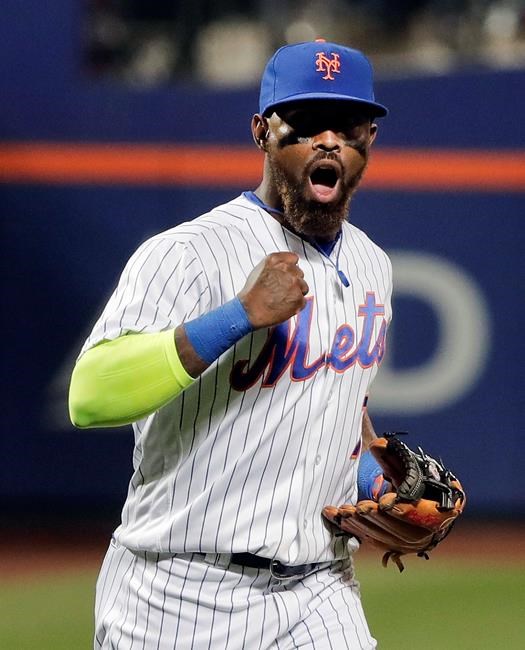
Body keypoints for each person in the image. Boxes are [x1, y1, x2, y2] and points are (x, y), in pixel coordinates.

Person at [69, 39, 391, 650]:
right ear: (262, 132)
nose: (329, 142)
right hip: (180, 590)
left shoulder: (373, 265)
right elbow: (91, 394)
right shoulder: (187, 253)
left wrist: (377, 478)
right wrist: (238, 317)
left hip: (322, 590)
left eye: (348, 124)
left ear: (369, 140)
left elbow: (334, 401)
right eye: (304, 123)